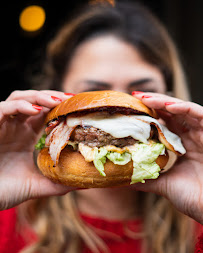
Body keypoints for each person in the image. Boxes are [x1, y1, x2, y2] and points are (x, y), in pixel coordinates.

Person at [0, 1, 203, 253]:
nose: (117, 110)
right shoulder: (9, 222)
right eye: (93, 92)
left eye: (143, 91)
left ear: (169, 100)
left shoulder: (197, 221)